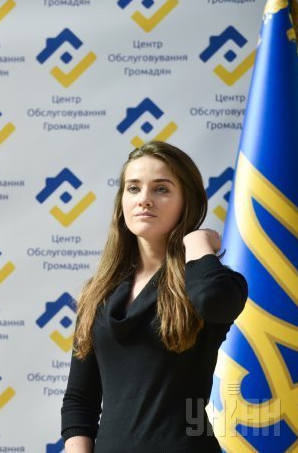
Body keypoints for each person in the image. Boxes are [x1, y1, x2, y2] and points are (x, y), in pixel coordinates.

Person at [60, 141, 248, 452]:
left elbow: (215, 301)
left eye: (161, 189)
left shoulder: (211, 282)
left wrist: (196, 241)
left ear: (187, 201)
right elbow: (80, 400)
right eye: (133, 188)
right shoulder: (98, 293)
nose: (144, 199)